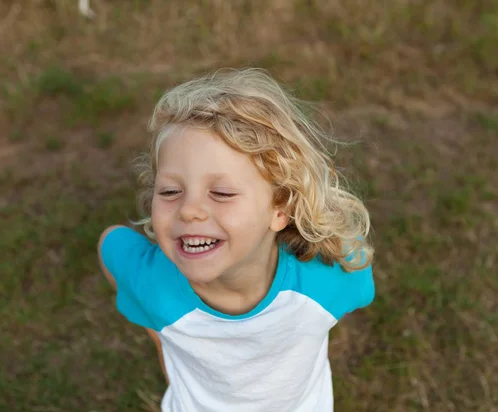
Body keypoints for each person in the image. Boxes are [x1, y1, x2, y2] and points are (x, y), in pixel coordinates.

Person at [98, 68, 375, 411]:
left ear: (280, 208)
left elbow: (111, 242)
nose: (189, 210)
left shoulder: (328, 278)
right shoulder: (153, 284)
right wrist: (155, 328)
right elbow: (111, 246)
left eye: (222, 192)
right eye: (170, 191)